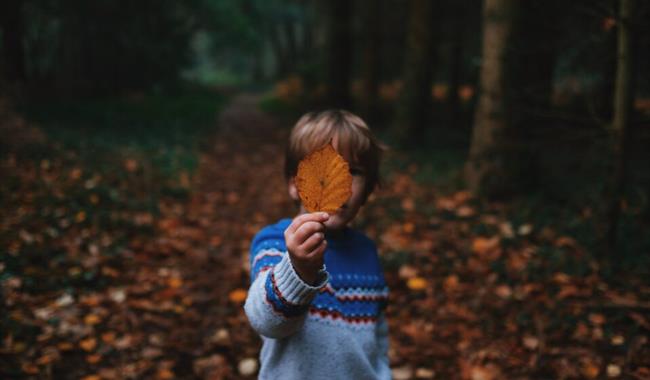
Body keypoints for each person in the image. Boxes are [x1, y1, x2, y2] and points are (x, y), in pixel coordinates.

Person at [244, 109, 390, 379]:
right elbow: (266, 321)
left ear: (368, 190)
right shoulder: (275, 242)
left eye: (354, 171)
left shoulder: (367, 252)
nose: (339, 181)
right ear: (294, 184)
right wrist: (298, 269)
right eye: (321, 169)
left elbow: (377, 337)